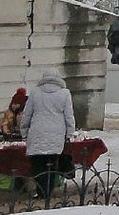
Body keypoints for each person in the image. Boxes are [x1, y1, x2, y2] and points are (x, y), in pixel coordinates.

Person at [21, 70, 75, 198]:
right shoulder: (65, 94)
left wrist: (24, 132)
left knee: (38, 165)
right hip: (56, 135)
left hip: (37, 133)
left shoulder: (35, 92)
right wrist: (70, 134)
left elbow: (27, 114)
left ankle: (40, 191)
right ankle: (47, 192)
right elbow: (69, 116)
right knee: (51, 165)